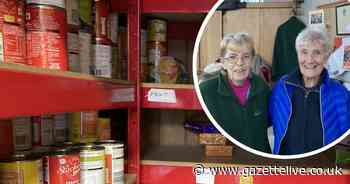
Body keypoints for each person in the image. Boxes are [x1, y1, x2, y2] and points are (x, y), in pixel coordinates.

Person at [269, 25, 350, 155]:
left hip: (324, 170)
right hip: (287, 168)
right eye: (304, 52)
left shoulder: (340, 94)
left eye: (317, 52)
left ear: (326, 56)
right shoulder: (282, 87)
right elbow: (258, 117)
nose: (310, 60)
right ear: (297, 54)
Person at [199, 32, 271, 153]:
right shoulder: (205, 91)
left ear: (253, 60)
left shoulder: (263, 88)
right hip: (224, 162)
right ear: (223, 62)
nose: (240, 62)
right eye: (232, 57)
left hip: (258, 162)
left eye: (246, 56)